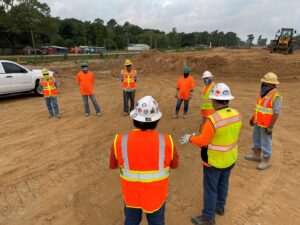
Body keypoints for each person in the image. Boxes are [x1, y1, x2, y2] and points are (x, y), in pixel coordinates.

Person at [109, 95, 179, 225]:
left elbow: (113, 165)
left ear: (134, 119)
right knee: (157, 222)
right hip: (156, 196)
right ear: (156, 120)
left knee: (131, 221)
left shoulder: (119, 141)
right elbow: (174, 165)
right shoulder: (167, 141)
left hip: (131, 195)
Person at [180, 83, 242, 225]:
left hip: (213, 161)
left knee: (210, 189)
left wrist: (190, 138)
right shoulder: (237, 114)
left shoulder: (212, 120)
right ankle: (220, 207)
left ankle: (208, 217)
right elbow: (224, 134)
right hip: (230, 158)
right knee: (223, 183)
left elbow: (202, 141)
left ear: (214, 100)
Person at [245, 72, 282, 170]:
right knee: (256, 138)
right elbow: (259, 108)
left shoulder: (276, 96)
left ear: (271, 84)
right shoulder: (263, 93)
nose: (263, 84)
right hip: (258, 121)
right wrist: (253, 118)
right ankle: (257, 156)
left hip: (266, 124)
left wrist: (270, 126)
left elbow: (276, 112)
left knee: (266, 141)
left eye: (265, 82)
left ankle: (266, 160)